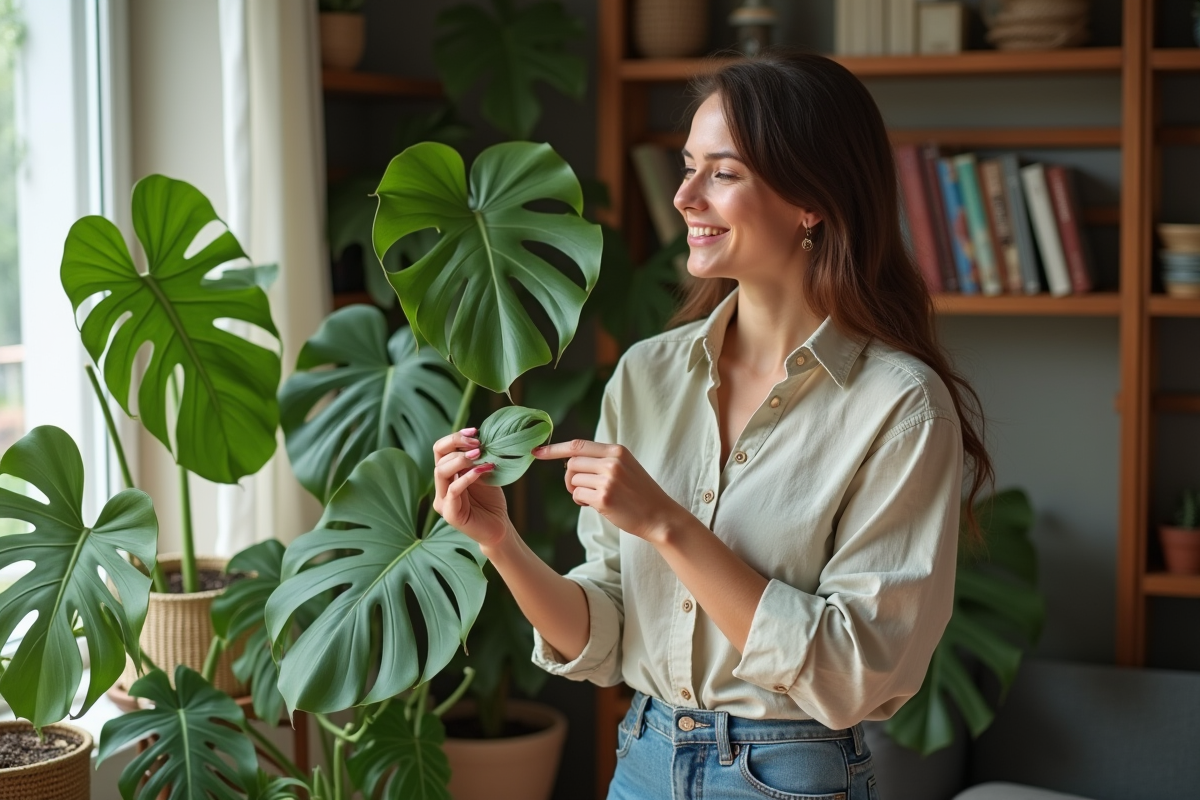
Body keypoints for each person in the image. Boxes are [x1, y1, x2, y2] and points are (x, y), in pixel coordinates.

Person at [431, 51, 992, 800]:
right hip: (642, 758)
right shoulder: (646, 374)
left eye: (722, 174)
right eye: (688, 166)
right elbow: (602, 636)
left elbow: (852, 673)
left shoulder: (899, 407)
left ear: (810, 201)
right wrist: (499, 542)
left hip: (792, 775)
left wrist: (667, 523)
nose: (685, 196)